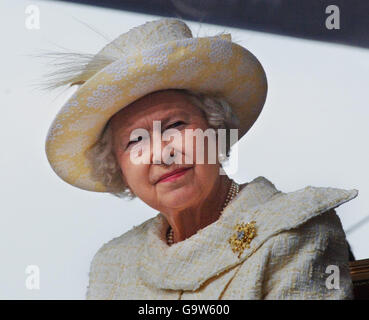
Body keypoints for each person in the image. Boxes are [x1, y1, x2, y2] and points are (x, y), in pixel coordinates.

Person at [44, 18, 358, 299]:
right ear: (117, 168)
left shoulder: (295, 230)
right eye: (135, 141)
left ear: (215, 128)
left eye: (176, 125)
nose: (162, 152)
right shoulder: (112, 266)